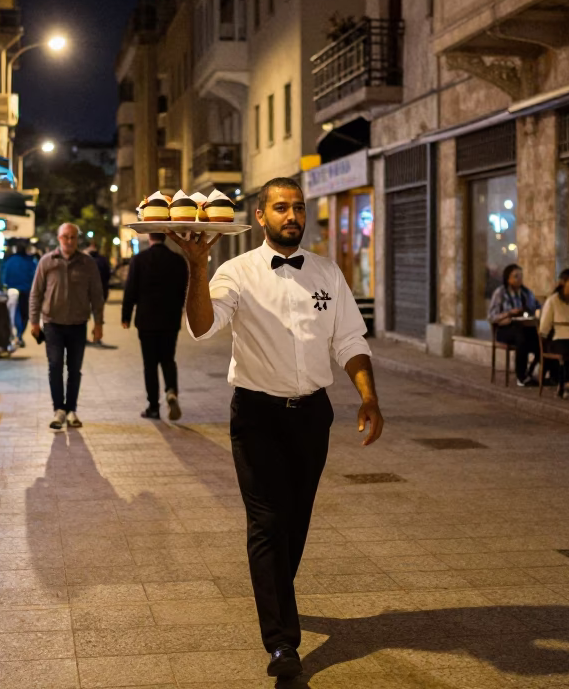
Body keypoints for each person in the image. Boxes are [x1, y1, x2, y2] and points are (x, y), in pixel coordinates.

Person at [171, 178, 383, 680]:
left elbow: (349, 339)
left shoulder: (328, 273)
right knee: (267, 522)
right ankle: (282, 644)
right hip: (257, 416)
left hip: (313, 415)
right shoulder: (236, 272)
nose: (292, 215)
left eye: (298, 207)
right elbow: (202, 326)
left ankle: (273, 591)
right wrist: (197, 266)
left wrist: (369, 396)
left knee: (296, 521)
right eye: (280, 207)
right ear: (261, 216)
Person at [29, 222, 105, 430]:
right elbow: (36, 293)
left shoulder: (87, 263)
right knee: (55, 366)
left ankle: (71, 409)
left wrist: (99, 323)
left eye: (72, 237)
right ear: (58, 238)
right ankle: (58, 410)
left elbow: (97, 295)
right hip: (52, 324)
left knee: (74, 369)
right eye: (65, 237)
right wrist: (34, 321)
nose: (69, 241)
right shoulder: (47, 262)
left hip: (78, 324)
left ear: (77, 239)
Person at [121, 233, 189, 420]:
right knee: (168, 359)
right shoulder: (178, 260)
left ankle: (153, 406)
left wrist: (125, 316)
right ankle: (171, 390)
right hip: (170, 320)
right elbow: (184, 289)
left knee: (149, 364)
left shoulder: (139, 260)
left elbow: (130, 290)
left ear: (150, 237)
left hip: (147, 321)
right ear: (165, 237)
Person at [488, 263, 542, 386]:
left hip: (525, 326)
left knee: (541, 338)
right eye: (516, 276)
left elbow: (538, 307)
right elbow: (491, 316)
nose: (519, 279)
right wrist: (508, 313)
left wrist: (535, 312)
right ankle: (521, 376)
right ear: (508, 278)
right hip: (505, 329)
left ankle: (532, 371)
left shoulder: (526, 292)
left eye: (521, 276)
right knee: (521, 337)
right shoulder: (500, 293)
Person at [0, 239, 38, 348]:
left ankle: (17, 335)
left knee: (15, 314)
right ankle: (19, 335)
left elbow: (4, 277)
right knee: (24, 315)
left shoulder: (10, 261)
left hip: (12, 292)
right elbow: (34, 277)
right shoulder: (30, 262)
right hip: (26, 291)